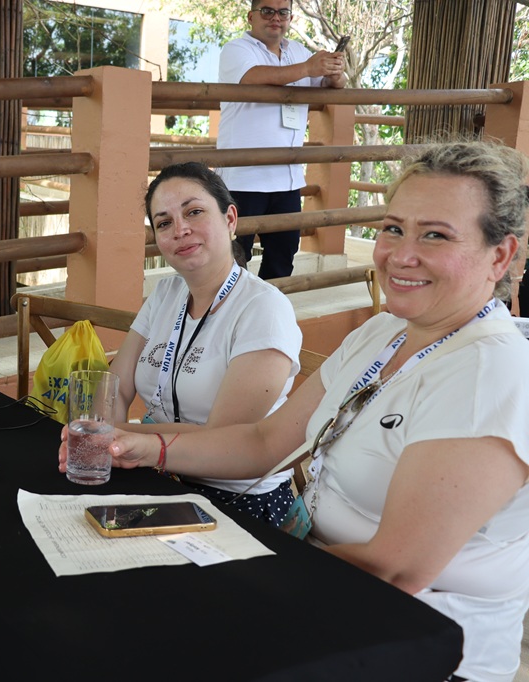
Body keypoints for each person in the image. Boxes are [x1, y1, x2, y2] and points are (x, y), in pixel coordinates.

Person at [61, 140, 529, 682]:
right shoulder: (383, 332)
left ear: (500, 256)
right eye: (393, 228)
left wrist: (234, 571)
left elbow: (395, 568)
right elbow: (264, 441)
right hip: (318, 580)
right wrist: (142, 445)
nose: (401, 254)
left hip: (418, 641)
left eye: (436, 235)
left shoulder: (491, 371)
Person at [106, 162, 302, 526]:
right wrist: (111, 450)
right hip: (157, 474)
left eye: (194, 212)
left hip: (233, 498)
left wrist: (114, 437)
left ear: (230, 219)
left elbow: (220, 440)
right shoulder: (166, 293)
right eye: (164, 223)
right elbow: (115, 388)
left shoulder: (264, 308)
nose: (180, 230)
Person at [217, 0, 345, 279]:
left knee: (283, 257)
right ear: (251, 16)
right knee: (232, 259)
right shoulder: (236, 49)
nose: (275, 17)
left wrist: (335, 71)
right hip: (242, 180)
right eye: (267, 11)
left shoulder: (298, 51)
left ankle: (267, 308)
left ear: (290, 18)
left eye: (283, 12)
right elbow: (253, 77)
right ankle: (230, 308)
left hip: (287, 179)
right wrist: (309, 68)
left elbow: (330, 84)